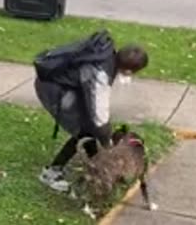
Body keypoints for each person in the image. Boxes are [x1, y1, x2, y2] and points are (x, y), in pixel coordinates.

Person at [33, 30, 149, 192]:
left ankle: (97, 164)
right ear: (129, 70)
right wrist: (107, 142)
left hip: (66, 86)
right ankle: (51, 173)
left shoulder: (107, 55)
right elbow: (100, 116)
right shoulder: (100, 74)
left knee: (89, 127)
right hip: (53, 90)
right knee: (82, 131)